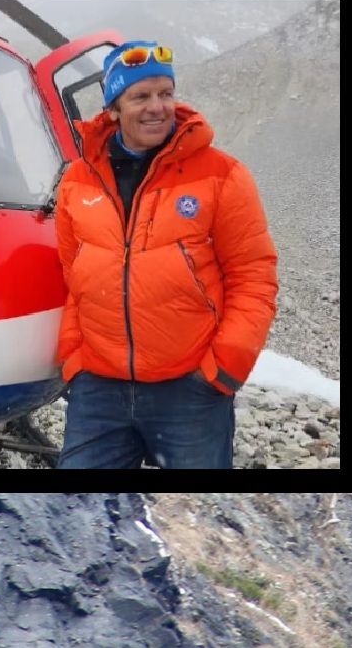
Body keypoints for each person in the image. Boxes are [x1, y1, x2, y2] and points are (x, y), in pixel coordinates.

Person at [53, 40, 277, 469]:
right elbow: (71, 275)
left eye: (165, 93)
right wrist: (74, 360)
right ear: (114, 108)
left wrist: (222, 370)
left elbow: (254, 277)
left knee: (201, 523)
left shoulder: (221, 174)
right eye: (140, 96)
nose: (157, 107)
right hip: (98, 392)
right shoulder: (77, 179)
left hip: (189, 392)